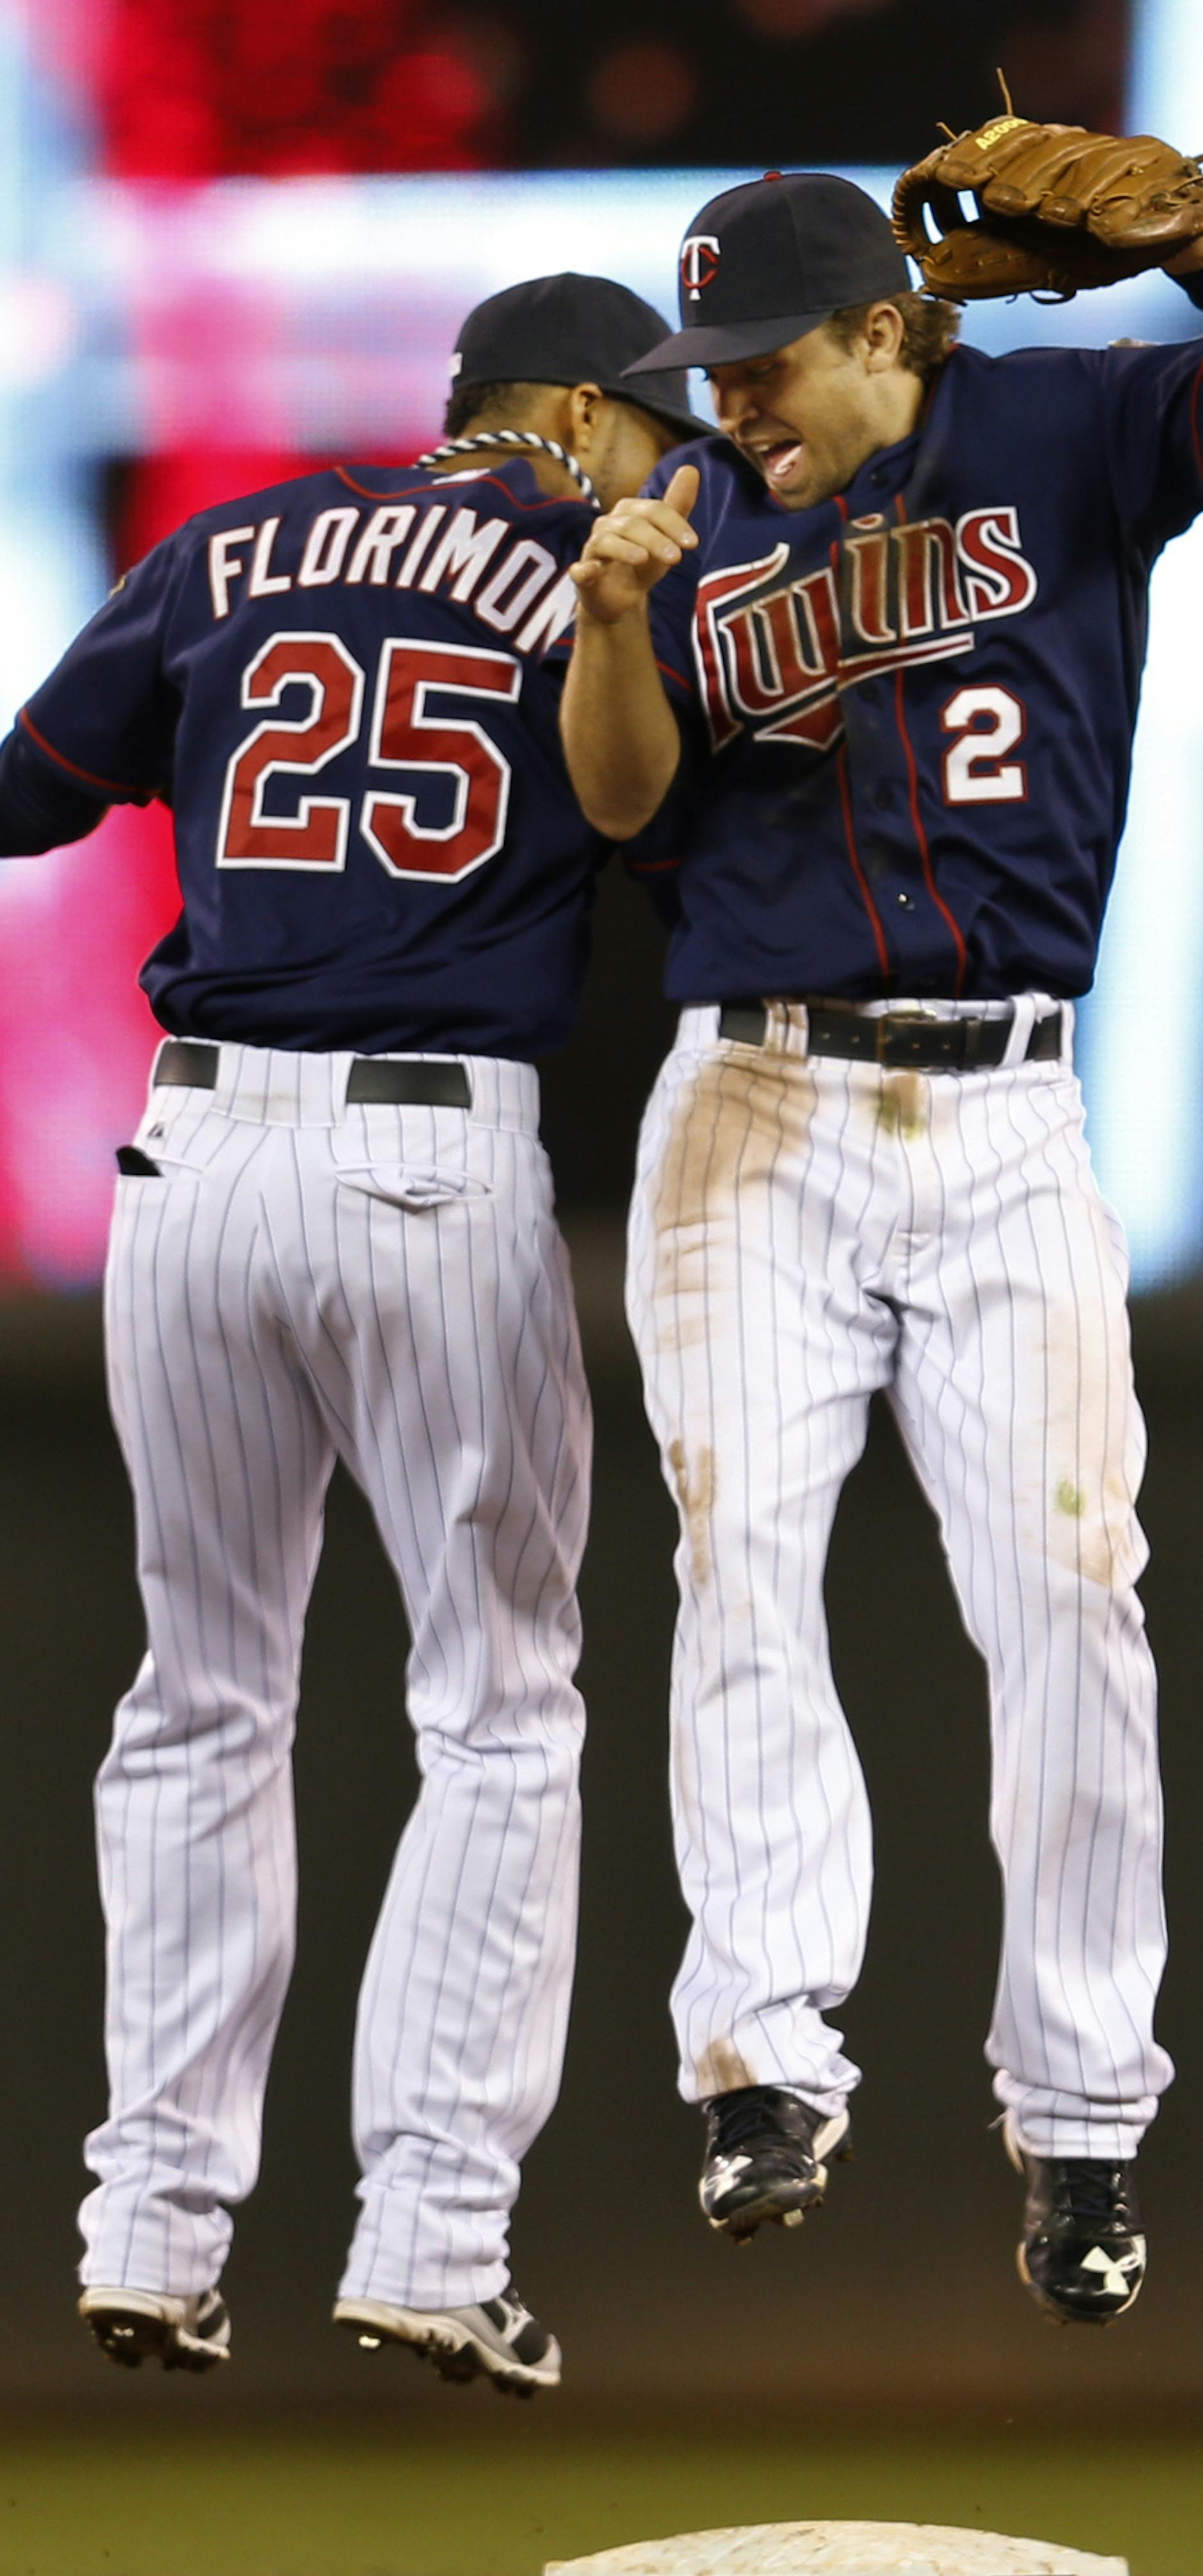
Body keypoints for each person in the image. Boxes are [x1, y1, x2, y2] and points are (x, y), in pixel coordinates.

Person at [560, 166, 1203, 2322]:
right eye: (712, 376)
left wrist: (1201, 253)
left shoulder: (1070, 429)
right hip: (755, 1098)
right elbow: (628, 805)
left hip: (1014, 1110)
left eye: (768, 366)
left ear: (885, 333)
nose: (736, 410)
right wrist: (620, 623)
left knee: (1074, 1601)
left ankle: (1087, 2116)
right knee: (741, 1559)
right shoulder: (695, 532)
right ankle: (761, 2059)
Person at [0, 274, 700, 2390]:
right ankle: (429, 2229)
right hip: (428, 1160)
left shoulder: (232, 548)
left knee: (200, 1697)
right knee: (497, 1706)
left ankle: (147, 2219)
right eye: (650, 422)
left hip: (191, 1165)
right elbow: (681, 835)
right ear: (567, 411)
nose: (670, 461)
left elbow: (30, 791)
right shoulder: (599, 580)